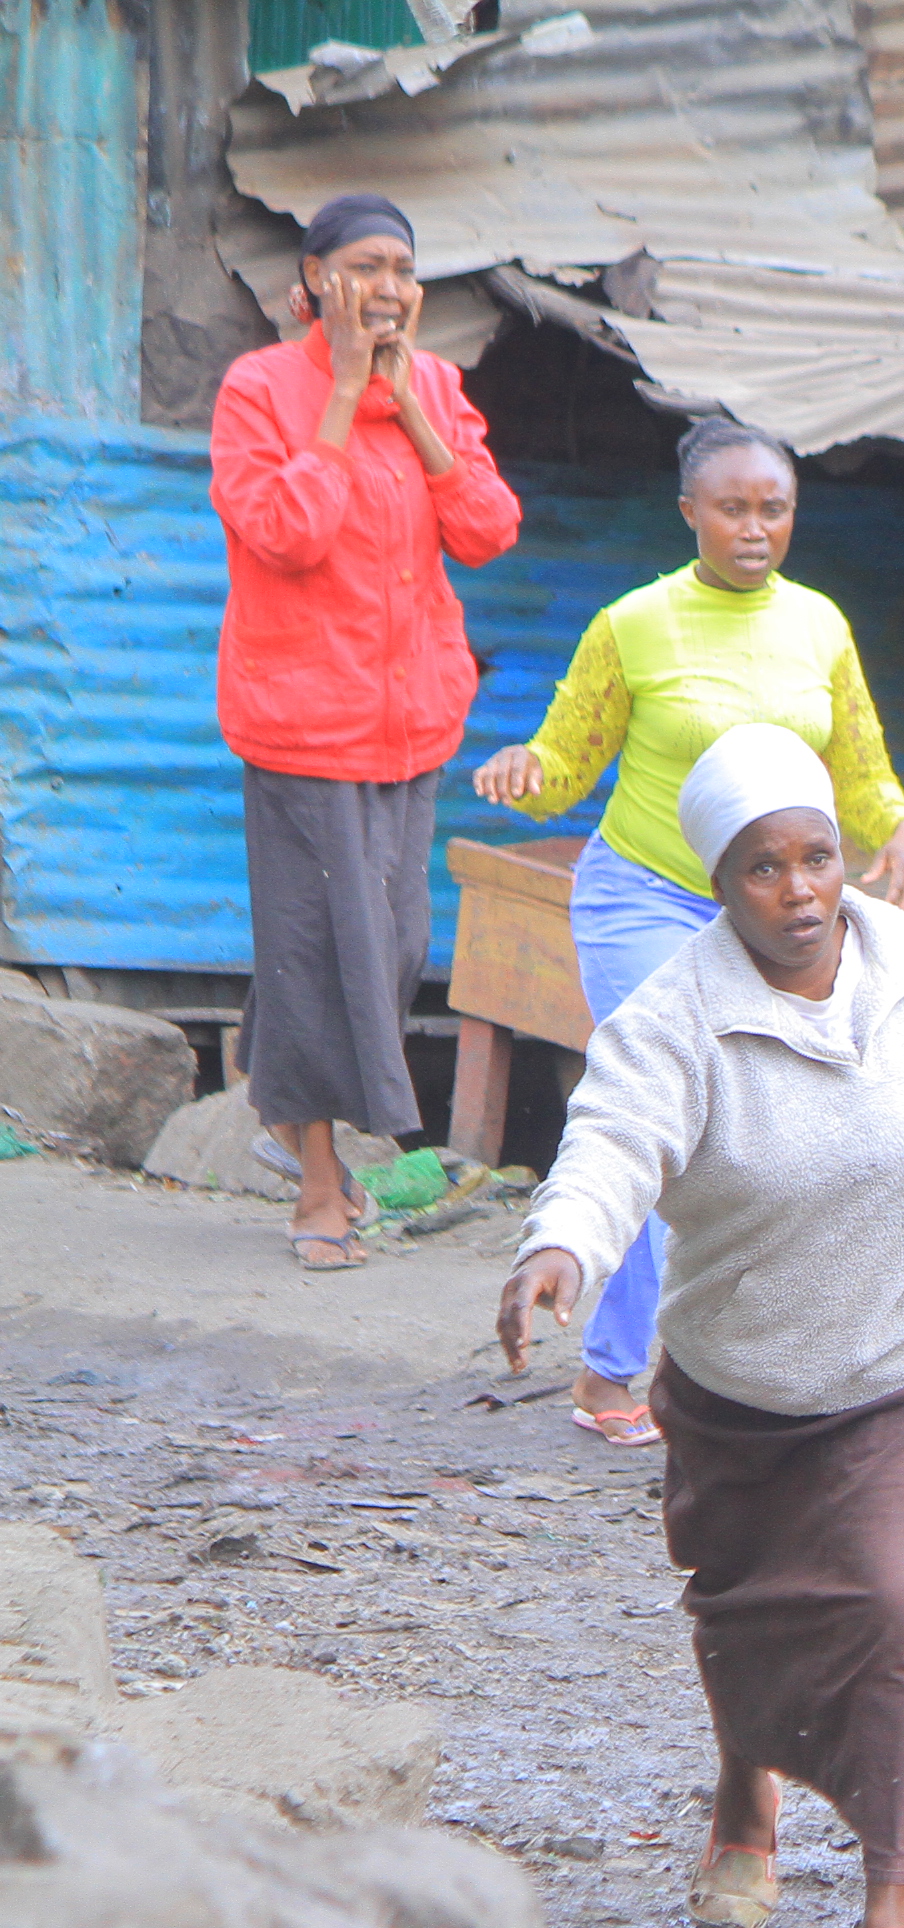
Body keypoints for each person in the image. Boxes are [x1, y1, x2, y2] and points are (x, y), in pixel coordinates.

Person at [496, 725, 904, 1928]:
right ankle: (744, 1796)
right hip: (740, 1381)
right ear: (720, 884)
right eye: (763, 868)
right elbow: (610, 1143)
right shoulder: (681, 1016)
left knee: (889, 1599)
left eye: (817, 857)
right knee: (744, 1606)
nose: (801, 890)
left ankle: (892, 1913)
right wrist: (563, 1245)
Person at [472, 416, 904, 1446]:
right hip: (646, 893)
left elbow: (858, 767)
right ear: (690, 514)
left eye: (775, 507)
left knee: (773, 1124)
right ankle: (610, 1371)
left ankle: (754, 1361)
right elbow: (567, 758)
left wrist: (899, 829)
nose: (756, 527)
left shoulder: (819, 625)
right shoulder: (635, 623)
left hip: (773, 911)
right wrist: (524, 773)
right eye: (734, 507)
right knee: (659, 1101)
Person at [209, 191, 519, 1270]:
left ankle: (296, 1127)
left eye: (401, 266)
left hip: (411, 721)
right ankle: (323, 1191)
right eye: (363, 267)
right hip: (301, 726)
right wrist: (343, 393)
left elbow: (487, 529)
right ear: (313, 285)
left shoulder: (436, 384)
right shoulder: (260, 388)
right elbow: (287, 534)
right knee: (307, 956)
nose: (386, 286)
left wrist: (410, 407)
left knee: (388, 952)